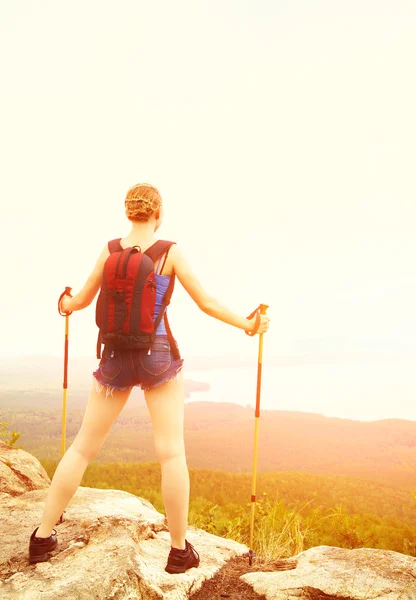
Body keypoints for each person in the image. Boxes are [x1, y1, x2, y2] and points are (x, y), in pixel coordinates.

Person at [28, 183, 270, 573]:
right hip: (158, 358)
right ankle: (178, 551)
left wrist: (63, 303)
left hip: (114, 360)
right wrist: (249, 324)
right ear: (159, 213)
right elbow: (206, 303)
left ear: (128, 213)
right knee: (171, 452)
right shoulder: (170, 252)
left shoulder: (109, 251)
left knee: (82, 449)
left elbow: (80, 301)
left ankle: (41, 538)